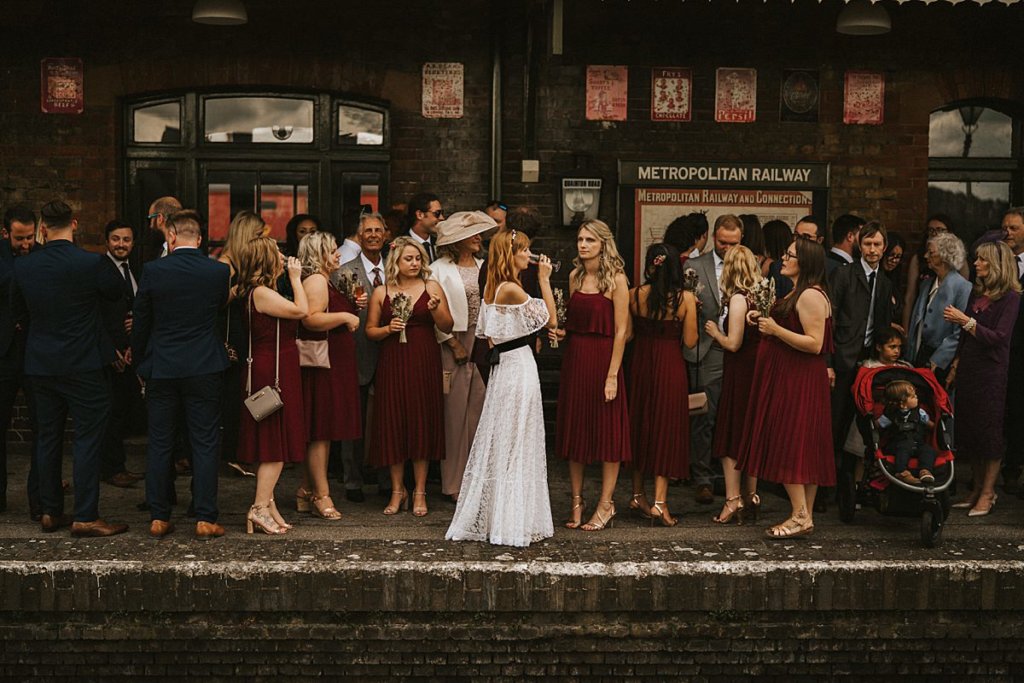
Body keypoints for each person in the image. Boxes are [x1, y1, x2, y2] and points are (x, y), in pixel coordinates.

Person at [11, 200, 128, 536]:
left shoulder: (25, 267)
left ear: (43, 228)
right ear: (74, 224)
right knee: (88, 438)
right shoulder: (91, 263)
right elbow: (115, 291)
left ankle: (49, 511)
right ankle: (86, 514)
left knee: (47, 437)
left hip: (40, 363)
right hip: (83, 363)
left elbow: (19, 311)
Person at [446, 229, 556, 547]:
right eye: (524, 251)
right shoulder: (509, 288)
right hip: (517, 366)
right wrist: (546, 280)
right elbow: (548, 318)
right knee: (517, 440)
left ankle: (507, 514)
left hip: (509, 365)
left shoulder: (500, 286)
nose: (529, 256)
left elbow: (491, 332)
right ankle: (510, 521)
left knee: (513, 437)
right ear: (511, 255)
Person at [132, 210, 230, 539]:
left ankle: (159, 516)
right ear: (199, 239)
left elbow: (142, 321)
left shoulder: (153, 271)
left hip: (162, 366)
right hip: (203, 364)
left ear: (170, 237)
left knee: (159, 442)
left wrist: (141, 364)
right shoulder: (217, 272)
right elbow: (216, 313)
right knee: (204, 442)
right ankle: (205, 517)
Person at [737, 237, 835, 539]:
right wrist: (762, 318)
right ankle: (802, 513)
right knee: (801, 443)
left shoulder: (810, 296)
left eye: (790, 254)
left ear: (804, 262)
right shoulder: (798, 292)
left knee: (793, 441)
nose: (784, 257)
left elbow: (814, 343)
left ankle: (800, 514)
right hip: (793, 376)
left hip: (799, 379)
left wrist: (775, 329)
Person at [365, 236, 453, 517]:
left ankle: (420, 491)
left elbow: (448, 325)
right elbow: (370, 332)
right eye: (408, 259)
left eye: (417, 259)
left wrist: (435, 308)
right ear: (396, 262)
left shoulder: (432, 287)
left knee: (421, 421)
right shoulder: (382, 291)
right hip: (392, 361)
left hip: (424, 359)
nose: (414, 263)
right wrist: (388, 328)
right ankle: (396, 490)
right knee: (393, 422)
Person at [552, 219, 631, 531]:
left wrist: (612, 375)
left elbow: (622, 331)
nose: (583, 245)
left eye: (590, 240)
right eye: (580, 239)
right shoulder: (574, 276)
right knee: (577, 430)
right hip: (576, 359)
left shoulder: (617, 280)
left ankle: (605, 503)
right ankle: (576, 500)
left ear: (603, 244)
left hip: (604, 361)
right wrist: (559, 331)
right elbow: (572, 323)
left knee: (607, 433)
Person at [235, 237, 309, 534]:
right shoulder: (262, 293)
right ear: (265, 259)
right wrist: (296, 278)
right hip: (273, 370)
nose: (283, 257)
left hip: (277, 364)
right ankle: (258, 508)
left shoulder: (259, 291)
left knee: (274, 438)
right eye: (277, 254)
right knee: (273, 445)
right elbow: (301, 311)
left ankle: (269, 504)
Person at [944, 241, 1021, 517]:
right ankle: (976, 488)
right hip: (970, 371)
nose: (976, 264)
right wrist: (956, 364)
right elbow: (965, 339)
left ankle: (989, 492)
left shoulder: (1011, 297)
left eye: (982, 260)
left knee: (989, 434)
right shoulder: (977, 292)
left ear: (996, 265)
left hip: (991, 373)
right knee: (972, 431)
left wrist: (965, 320)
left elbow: (999, 338)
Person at [627, 243, 698, 527]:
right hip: (670, 366)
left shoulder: (635, 295)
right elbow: (691, 342)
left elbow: (629, 334)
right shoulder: (685, 299)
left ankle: (636, 494)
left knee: (640, 425)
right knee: (665, 429)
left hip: (641, 364)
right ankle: (659, 503)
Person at [295, 232, 361, 521]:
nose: (337, 255)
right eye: (332, 251)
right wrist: (345, 317)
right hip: (324, 363)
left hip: (334, 361)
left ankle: (305, 490)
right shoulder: (318, 280)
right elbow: (310, 318)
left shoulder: (324, 279)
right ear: (319, 254)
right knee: (320, 432)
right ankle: (322, 496)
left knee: (321, 431)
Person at [430, 211, 495, 502]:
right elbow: (431, 309)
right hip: (452, 341)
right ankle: (453, 484)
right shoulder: (438, 269)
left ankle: (476, 479)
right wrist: (450, 341)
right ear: (456, 241)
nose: (479, 238)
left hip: (482, 340)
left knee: (478, 412)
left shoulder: (485, 265)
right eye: (473, 233)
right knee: (453, 413)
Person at [828, 221, 893, 495]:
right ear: (859, 245)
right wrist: (828, 363)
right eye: (867, 244)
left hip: (869, 363)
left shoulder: (886, 282)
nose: (872, 249)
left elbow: (884, 324)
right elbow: (829, 320)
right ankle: (824, 487)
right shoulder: (844, 275)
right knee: (835, 422)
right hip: (842, 358)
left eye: (877, 244)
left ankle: (854, 484)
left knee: (864, 425)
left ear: (884, 247)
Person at [684, 214, 744, 506]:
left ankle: (731, 479)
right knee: (705, 416)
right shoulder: (694, 266)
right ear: (713, 238)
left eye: (733, 243)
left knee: (733, 414)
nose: (727, 249)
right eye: (722, 242)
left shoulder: (749, 264)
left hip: (740, 349)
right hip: (708, 349)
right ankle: (703, 479)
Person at [705, 245, 763, 525]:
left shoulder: (739, 300)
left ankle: (732, 499)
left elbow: (734, 343)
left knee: (731, 436)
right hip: (756, 371)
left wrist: (716, 332)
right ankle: (752, 496)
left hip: (740, 372)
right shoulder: (761, 298)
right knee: (750, 434)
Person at [335, 211, 386, 501]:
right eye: (368, 231)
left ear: (386, 234)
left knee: (385, 419)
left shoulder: (398, 267)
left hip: (391, 352)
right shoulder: (344, 271)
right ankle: (352, 480)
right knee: (353, 421)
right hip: (357, 352)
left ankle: (384, 478)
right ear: (359, 235)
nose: (374, 235)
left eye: (378, 230)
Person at [218, 211, 271, 476]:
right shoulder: (226, 265)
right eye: (259, 236)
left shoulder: (244, 264)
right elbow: (215, 305)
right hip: (229, 338)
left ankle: (238, 452)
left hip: (245, 334)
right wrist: (237, 290)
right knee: (230, 398)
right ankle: (228, 454)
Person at [0, 203, 40, 515]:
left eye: (29, 238)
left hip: (36, 351)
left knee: (43, 429)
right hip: (4, 353)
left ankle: (39, 501)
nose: (25, 244)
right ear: (6, 233)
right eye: (19, 239)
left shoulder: (44, 255)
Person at [98, 219, 144, 488]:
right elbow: (96, 314)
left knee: (123, 411)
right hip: (109, 353)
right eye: (116, 239)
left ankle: (118, 466)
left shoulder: (135, 269)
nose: (121, 244)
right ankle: (111, 469)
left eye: (126, 239)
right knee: (110, 413)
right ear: (107, 241)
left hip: (131, 352)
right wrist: (112, 350)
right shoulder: (99, 269)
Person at [904, 231, 971, 385]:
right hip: (919, 353)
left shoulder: (963, 287)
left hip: (941, 361)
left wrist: (938, 359)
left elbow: (960, 331)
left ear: (945, 256)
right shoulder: (927, 284)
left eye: (931, 253)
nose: (926, 256)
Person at [902, 214, 968, 331]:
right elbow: (910, 297)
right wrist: (907, 331)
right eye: (931, 230)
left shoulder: (962, 283)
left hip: (944, 326)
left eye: (940, 230)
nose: (934, 233)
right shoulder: (924, 275)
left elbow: (962, 293)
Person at [1000, 208, 1024, 494]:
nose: (1007, 232)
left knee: (1018, 408)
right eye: (1005, 227)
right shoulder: (998, 263)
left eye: (1014, 228)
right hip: (1000, 347)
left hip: (1020, 349)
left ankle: (1013, 466)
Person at [877, 380, 937, 486]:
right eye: (913, 397)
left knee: (928, 450)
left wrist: (937, 427)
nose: (917, 398)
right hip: (898, 443)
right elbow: (879, 425)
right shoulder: (891, 414)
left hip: (918, 442)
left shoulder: (919, 412)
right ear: (902, 403)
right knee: (903, 450)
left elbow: (930, 424)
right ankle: (902, 472)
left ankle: (925, 470)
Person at [770, 216, 826, 297]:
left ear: (819, 240)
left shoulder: (811, 293)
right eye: (796, 235)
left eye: (806, 237)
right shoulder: (779, 267)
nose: (799, 240)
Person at [405, 192, 444, 262]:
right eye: (437, 213)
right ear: (420, 214)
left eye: (442, 213)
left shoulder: (440, 245)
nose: (442, 218)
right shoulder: (400, 245)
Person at [143, 196, 183, 262]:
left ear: (159, 218)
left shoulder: (177, 249)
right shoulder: (161, 249)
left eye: (150, 219)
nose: (150, 226)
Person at [882, 232, 908, 326]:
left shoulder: (894, 281)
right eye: (891, 255)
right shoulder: (875, 279)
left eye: (898, 257)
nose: (894, 260)